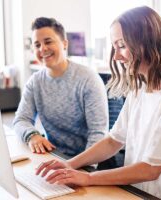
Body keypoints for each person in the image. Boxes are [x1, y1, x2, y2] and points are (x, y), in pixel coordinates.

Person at [35, 6, 161, 200]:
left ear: (147, 41)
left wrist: (88, 177)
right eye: (114, 47)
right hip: (137, 191)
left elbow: (151, 169)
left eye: (121, 45)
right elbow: (113, 141)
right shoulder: (142, 86)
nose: (116, 56)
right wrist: (70, 164)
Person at [13, 17, 108, 157]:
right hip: (55, 157)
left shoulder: (88, 79)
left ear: (64, 44)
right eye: (37, 45)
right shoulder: (35, 82)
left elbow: (98, 135)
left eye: (48, 42)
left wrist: (81, 170)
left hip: (88, 163)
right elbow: (21, 119)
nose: (42, 49)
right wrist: (32, 135)